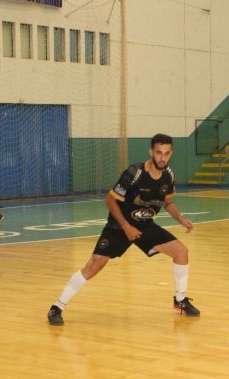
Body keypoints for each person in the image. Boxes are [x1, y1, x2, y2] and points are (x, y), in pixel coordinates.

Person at [46, 133, 200, 326]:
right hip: (119, 226)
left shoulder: (169, 175)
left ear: (171, 153)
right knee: (94, 265)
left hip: (145, 225)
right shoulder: (134, 173)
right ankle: (57, 307)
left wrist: (181, 218)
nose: (162, 158)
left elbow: (167, 202)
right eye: (159, 153)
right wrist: (126, 227)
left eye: (167, 153)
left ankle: (180, 301)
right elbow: (110, 200)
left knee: (181, 252)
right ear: (151, 152)